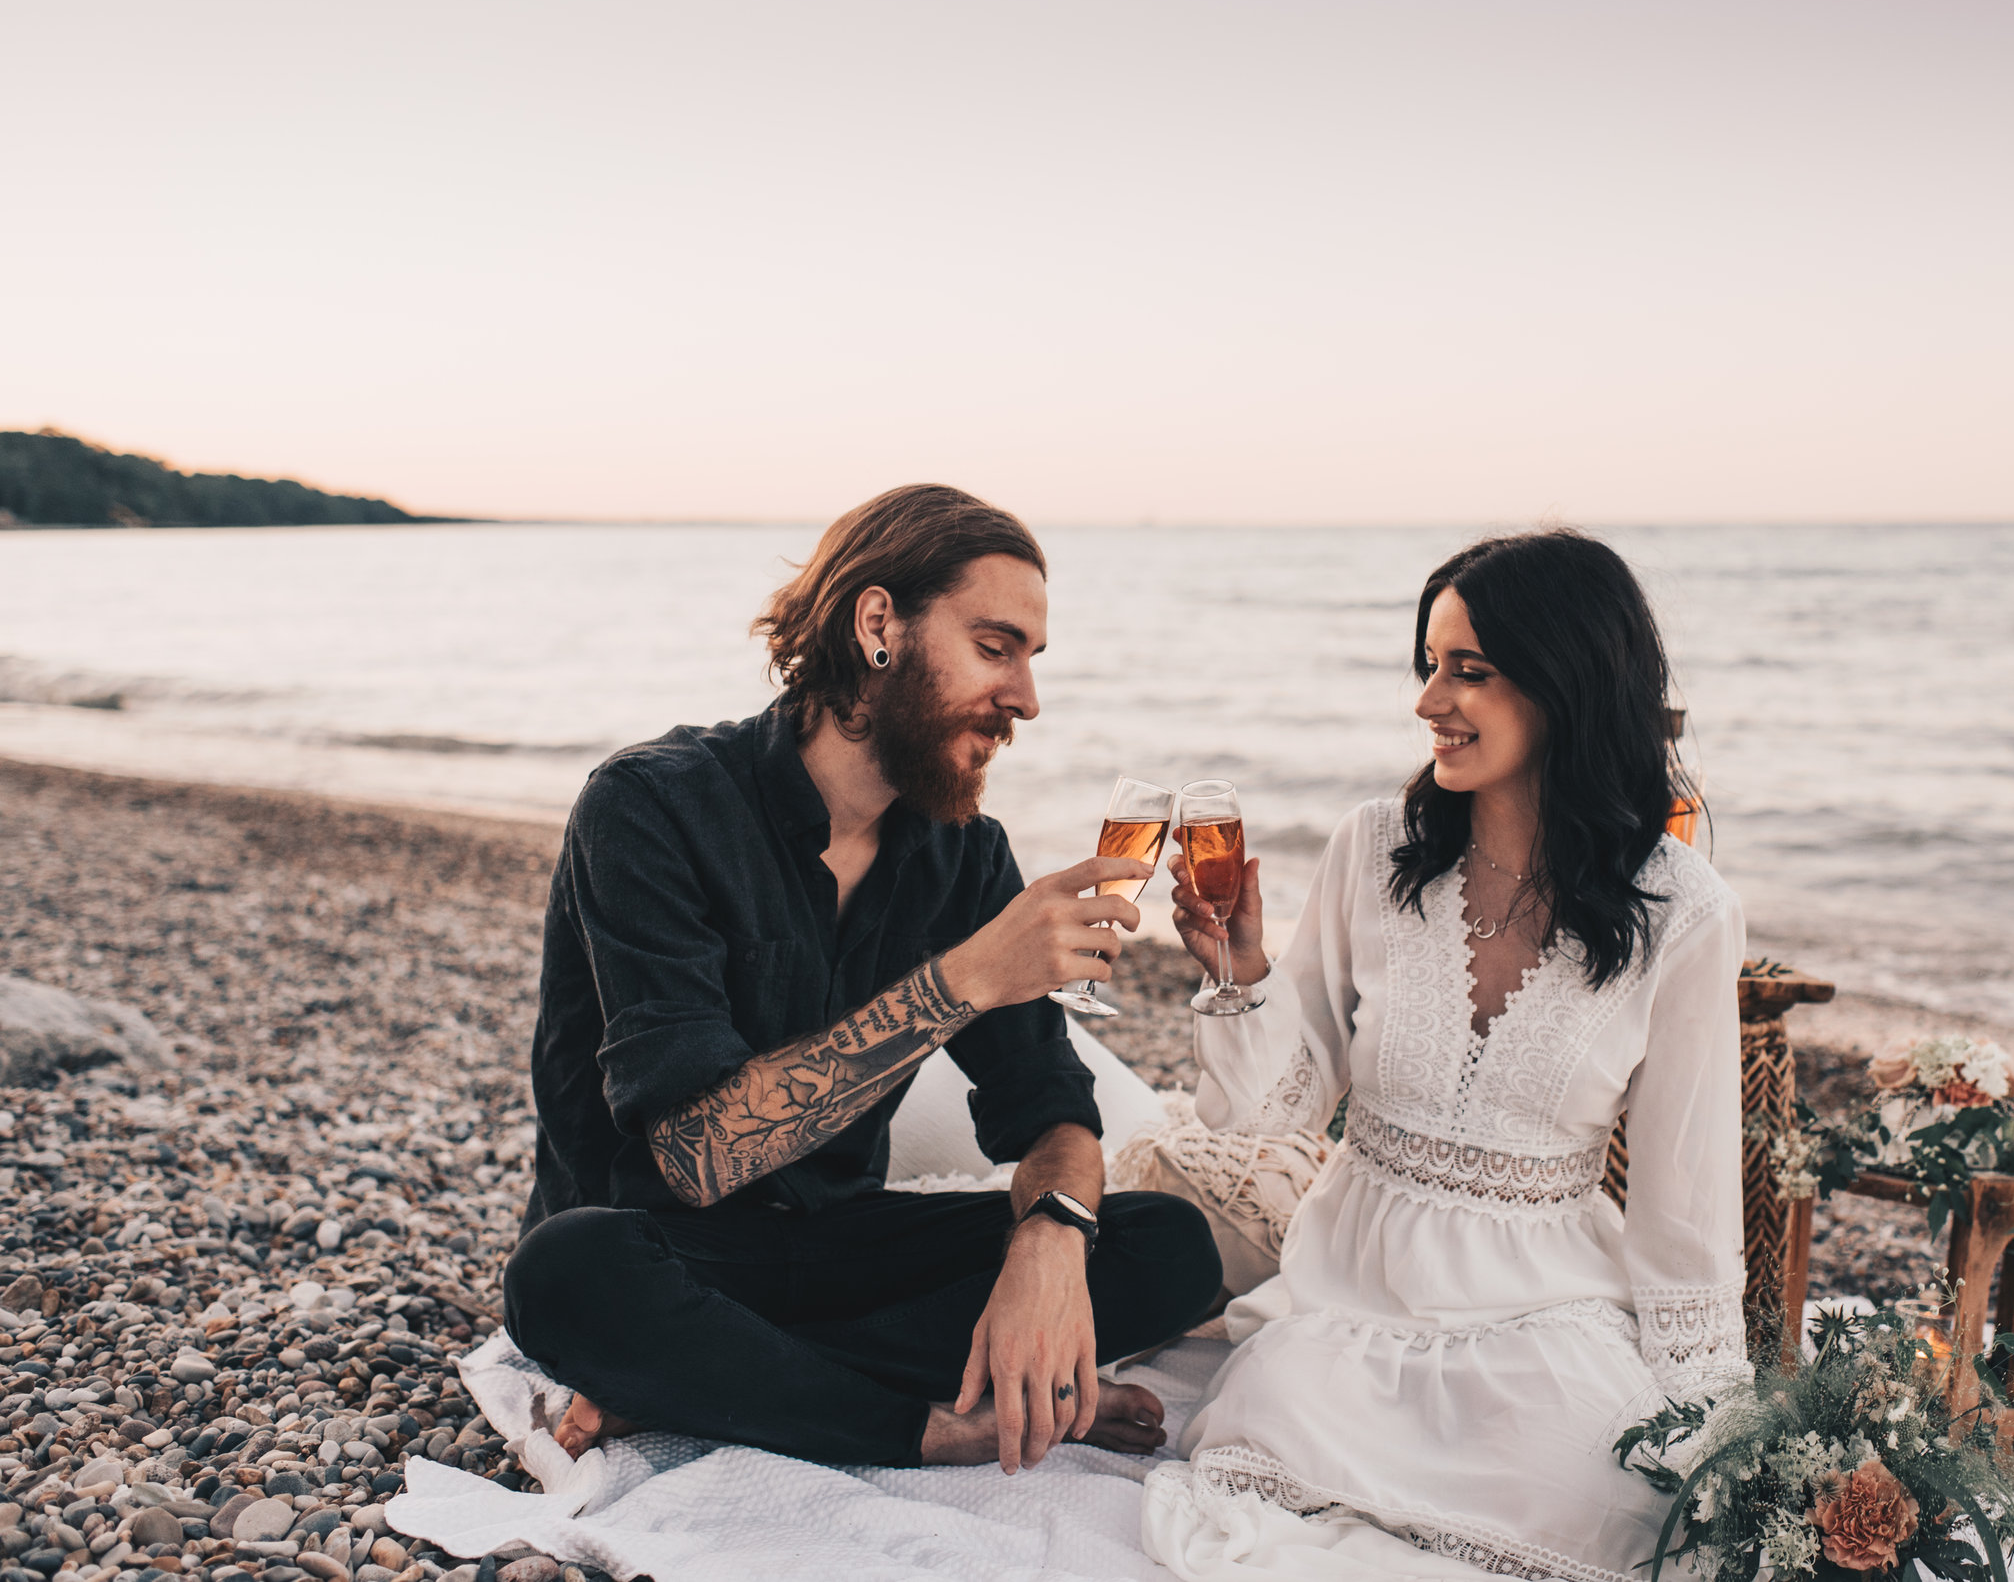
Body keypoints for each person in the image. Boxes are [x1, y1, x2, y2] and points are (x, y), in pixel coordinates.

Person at [501, 484, 1224, 1475]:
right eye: (995, 647)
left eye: (1030, 658)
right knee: (565, 1276)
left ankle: (711, 1386)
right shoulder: (650, 808)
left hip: (840, 1247)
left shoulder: (963, 855)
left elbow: (1052, 1108)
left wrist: (1050, 1240)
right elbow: (697, 1156)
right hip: (664, 1245)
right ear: (879, 624)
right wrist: (961, 979)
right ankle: (931, 1422)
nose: (1025, 698)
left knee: (1168, 1245)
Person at [1140, 531, 1749, 1581]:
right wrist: (1242, 972)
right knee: (1275, 1412)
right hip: (1351, 1303)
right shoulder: (1374, 849)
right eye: (1428, 664)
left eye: (1469, 670)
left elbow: (1684, 1208)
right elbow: (1275, 1102)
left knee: (1611, 1492)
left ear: (1569, 682)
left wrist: (1718, 1430)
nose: (1429, 700)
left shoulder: (1683, 910)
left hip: (1542, 1311)